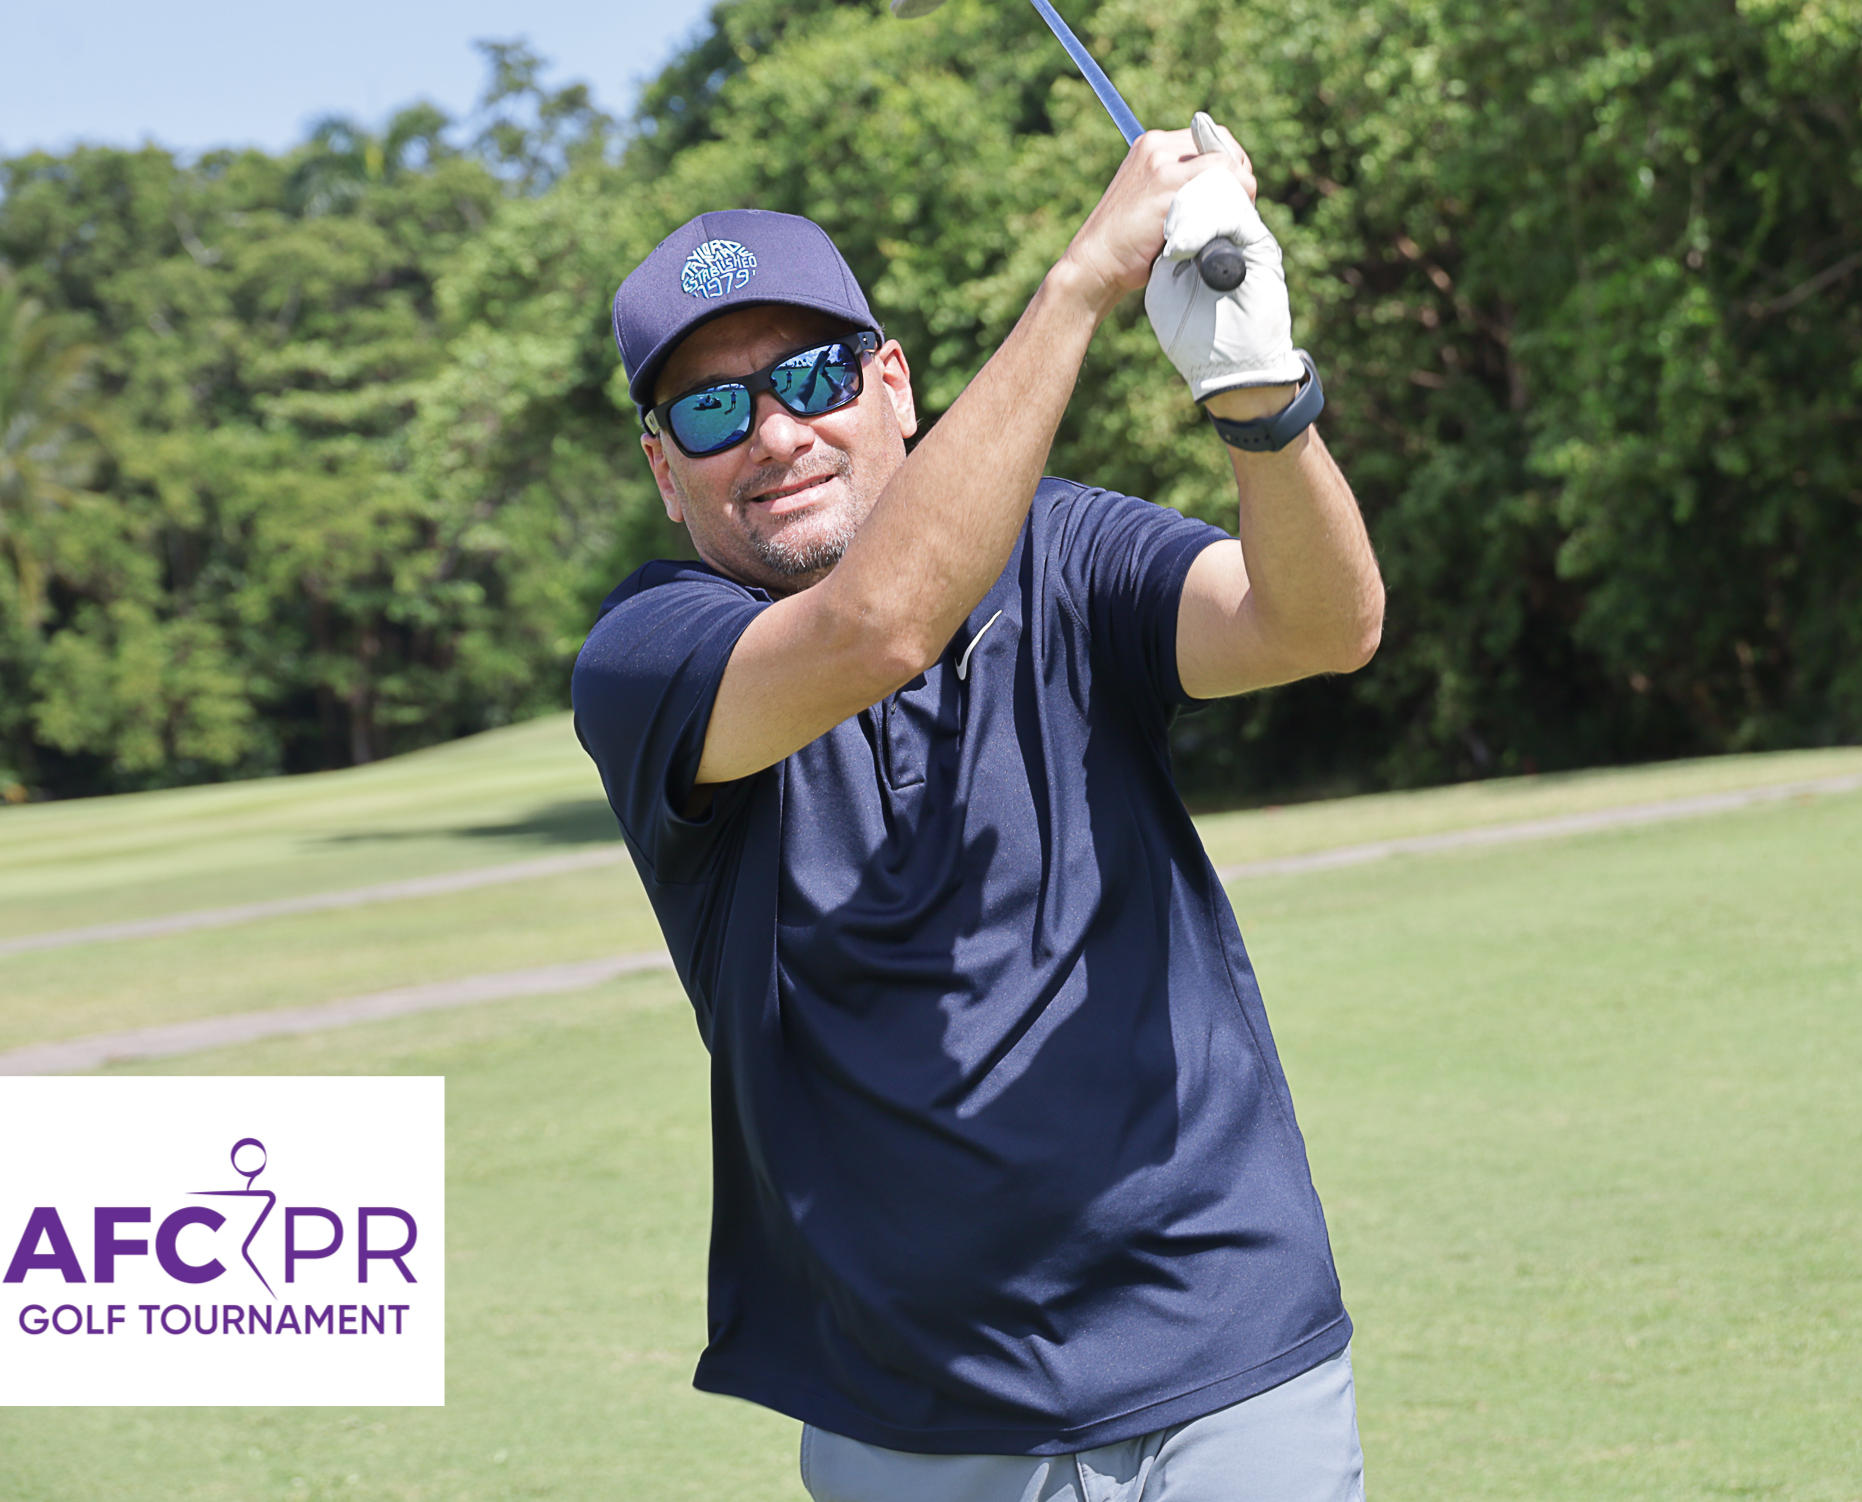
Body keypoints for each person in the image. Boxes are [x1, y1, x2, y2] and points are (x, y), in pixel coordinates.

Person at [570, 119, 1385, 1502]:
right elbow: (876, 627)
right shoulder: (649, 653)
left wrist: (1260, 398)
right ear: (665, 470)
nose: (775, 433)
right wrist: (1079, 284)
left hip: (1227, 1344)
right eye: (711, 411)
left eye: (813, 376)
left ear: (894, 384)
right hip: (917, 1418)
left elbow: (1318, 624)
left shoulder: (1063, 547)